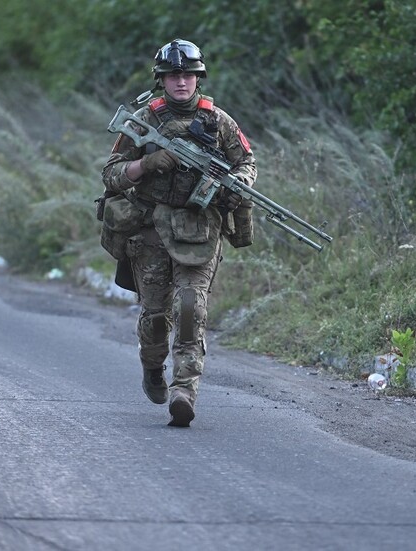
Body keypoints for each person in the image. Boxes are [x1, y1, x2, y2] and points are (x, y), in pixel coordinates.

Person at [101, 38, 256, 427]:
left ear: (198, 77)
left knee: (190, 308)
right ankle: (152, 366)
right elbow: (112, 174)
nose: (181, 82)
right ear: (162, 80)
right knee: (155, 317)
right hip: (150, 229)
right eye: (173, 75)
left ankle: (184, 390)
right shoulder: (143, 120)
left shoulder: (219, 121)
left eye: (187, 74)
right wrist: (149, 163)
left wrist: (230, 184)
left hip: (198, 230)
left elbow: (248, 165)